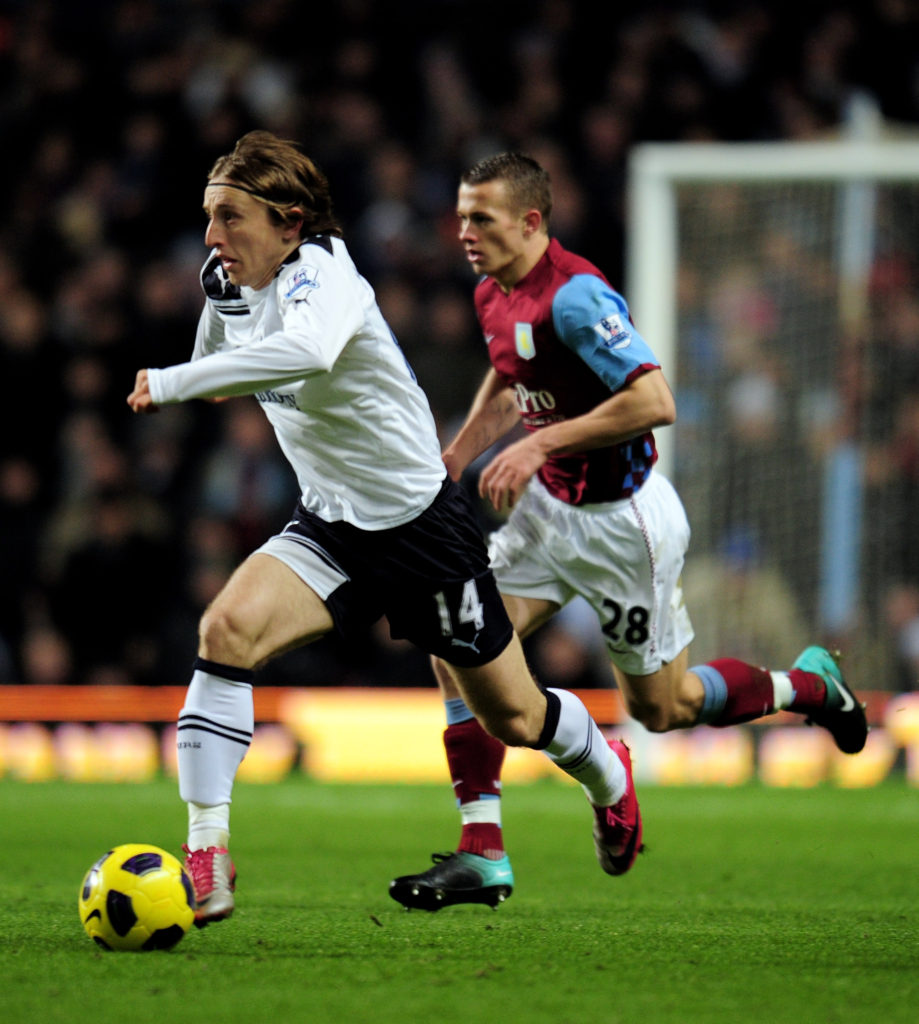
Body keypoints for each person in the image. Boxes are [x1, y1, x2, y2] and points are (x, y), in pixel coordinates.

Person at [127, 131, 642, 927]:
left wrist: (169, 380)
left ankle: (608, 775)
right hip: (331, 524)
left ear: (289, 221)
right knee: (224, 630)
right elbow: (222, 365)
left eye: (229, 217)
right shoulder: (227, 277)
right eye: (208, 217)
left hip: (420, 527)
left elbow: (301, 352)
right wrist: (209, 340)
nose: (211, 237)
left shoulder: (326, 277)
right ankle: (208, 854)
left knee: (515, 716)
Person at [388, 152, 867, 912]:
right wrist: (456, 456)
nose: (464, 232)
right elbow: (514, 379)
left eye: (480, 217)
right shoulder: (491, 292)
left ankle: (806, 685)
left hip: (624, 526)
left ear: (530, 221)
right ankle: (482, 848)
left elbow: (655, 399)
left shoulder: (577, 296)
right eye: (459, 216)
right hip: (547, 512)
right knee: (457, 637)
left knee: (663, 708)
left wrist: (542, 442)